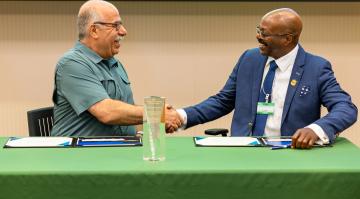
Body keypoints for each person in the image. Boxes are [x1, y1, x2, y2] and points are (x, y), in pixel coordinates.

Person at [176, 8, 357, 149]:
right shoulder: (249, 59)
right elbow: (223, 101)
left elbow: (346, 108)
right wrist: (180, 116)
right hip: (243, 152)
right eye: (258, 30)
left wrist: (315, 130)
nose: (258, 37)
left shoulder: (316, 68)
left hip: (289, 153)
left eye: (264, 34)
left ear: (287, 39)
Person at [51, 0, 181, 136]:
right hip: (77, 154)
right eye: (116, 25)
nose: (124, 31)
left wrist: (157, 122)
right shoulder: (72, 64)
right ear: (94, 30)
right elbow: (106, 112)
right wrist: (156, 113)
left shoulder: (114, 64)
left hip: (116, 149)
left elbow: (125, 118)